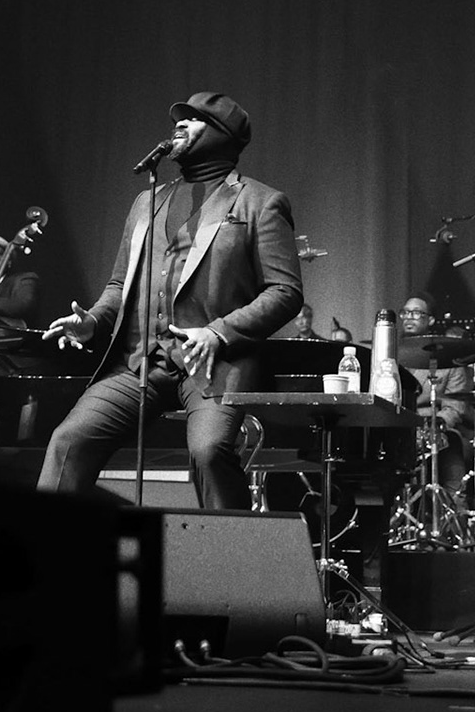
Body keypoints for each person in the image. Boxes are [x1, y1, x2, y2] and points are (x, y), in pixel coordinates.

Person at [38, 92, 302, 509]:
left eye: (194, 119)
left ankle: (231, 547)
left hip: (213, 366)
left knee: (209, 451)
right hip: (139, 364)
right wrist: (93, 321)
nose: (179, 123)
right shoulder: (148, 200)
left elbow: (285, 292)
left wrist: (217, 333)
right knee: (69, 440)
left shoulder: (260, 202)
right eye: (180, 118)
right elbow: (120, 285)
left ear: (222, 134)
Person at [398, 295, 472, 490]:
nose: (409, 317)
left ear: (430, 320)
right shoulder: (390, 355)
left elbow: (455, 407)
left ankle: (453, 502)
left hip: (435, 429)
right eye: (406, 312)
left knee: (452, 448)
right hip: (397, 428)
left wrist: (432, 427)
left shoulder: (448, 360)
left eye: (416, 313)